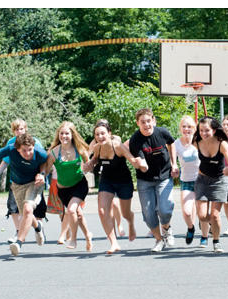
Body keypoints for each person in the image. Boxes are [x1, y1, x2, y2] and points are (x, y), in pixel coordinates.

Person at [84, 119, 145, 254]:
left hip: (123, 181)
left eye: (103, 134)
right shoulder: (97, 147)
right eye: (97, 134)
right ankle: (114, 242)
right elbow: (94, 160)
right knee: (102, 210)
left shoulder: (117, 146)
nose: (100, 137)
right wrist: (89, 164)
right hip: (107, 181)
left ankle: (130, 222)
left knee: (125, 213)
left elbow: (132, 160)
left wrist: (140, 162)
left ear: (109, 133)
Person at [0, 133, 48, 256]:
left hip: (34, 183)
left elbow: (46, 163)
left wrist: (42, 174)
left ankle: (19, 243)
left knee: (27, 209)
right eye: (24, 151)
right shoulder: (11, 149)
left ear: (33, 146)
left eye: (30, 149)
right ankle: (38, 227)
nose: (28, 153)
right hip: (17, 185)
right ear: (17, 149)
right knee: (27, 215)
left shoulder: (40, 152)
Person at [129, 108, 179, 252]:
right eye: (143, 122)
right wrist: (141, 164)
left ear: (153, 120)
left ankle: (167, 229)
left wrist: (174, 164)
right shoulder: (135, 139)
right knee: (149, 215)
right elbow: (140, 160)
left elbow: (172, 143)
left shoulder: (162, 132)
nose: (146, 125)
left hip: (164, 176)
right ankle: (159, 240)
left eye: (148, 121)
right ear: (138, 123)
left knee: (164, 209)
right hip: (145, 180)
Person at [43, 121, 93, 251]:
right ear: (58, 135)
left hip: (79, 185)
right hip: (63, 190)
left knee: (71, 210)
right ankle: (88, 235)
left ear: (72, 135)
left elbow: (89, 164)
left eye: (67, 133)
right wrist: (40, 176)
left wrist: (88, 166)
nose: (64, 136)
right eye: (61, 133)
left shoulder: (79, 149)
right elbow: (46, 170)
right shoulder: (54, 153)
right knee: (78, 214)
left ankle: (73, 239)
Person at [193, 116, 228, 253]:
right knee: (203, 216)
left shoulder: (222, 144)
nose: (204, 133)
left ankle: (216, 241)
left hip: (219, 180)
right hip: (202, 180)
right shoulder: (197, 142)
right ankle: (208, 226)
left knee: (215, 215)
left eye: (207, 130)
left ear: (214, 130)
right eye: (201, 130)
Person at [174, 115, 201, 245]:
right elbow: (172, 161)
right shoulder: (176, 144)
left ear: (195, 128)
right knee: (186, 211)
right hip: (187, 180)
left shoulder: (200, 141)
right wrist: (173, 167)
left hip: (202, 180)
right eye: (184, 126)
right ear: (180, 128)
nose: (186, 129)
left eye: (189, 126)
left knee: (204, 213)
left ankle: (206, 234)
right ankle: (191, 228)